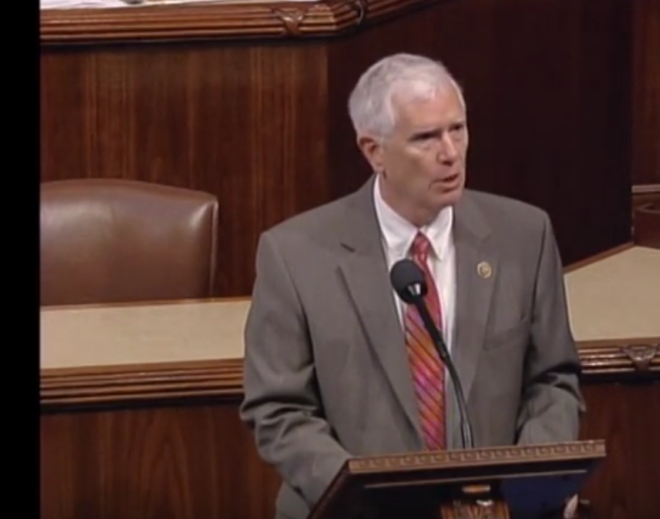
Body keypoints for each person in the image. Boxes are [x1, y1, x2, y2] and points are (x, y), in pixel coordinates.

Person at [240, 53, 586, 519]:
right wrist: (360, 495)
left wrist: (531, 485)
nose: (451, 152)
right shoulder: (295, 255)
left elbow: (552, 380)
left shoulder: (524, 236)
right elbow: (278, 409)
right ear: (373, 150)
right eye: (426, 137)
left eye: (457, 129)